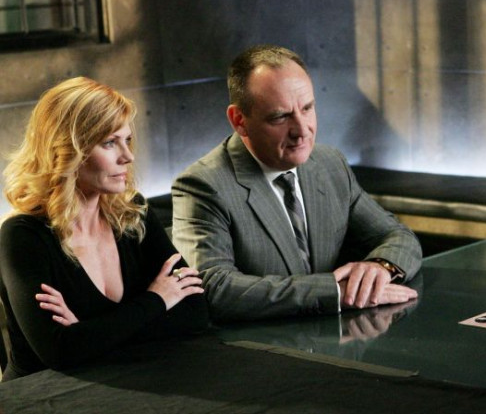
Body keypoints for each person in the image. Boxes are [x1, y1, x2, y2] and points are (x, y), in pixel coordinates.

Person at [172, 45, 421, 321]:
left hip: (341, 338)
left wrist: (380, 267)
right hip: (259, 346)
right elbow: (213, 288)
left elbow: (398, 236)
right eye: (280, 116)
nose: (302, 130)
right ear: (239, 120)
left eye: (307, 108)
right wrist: (333, 293)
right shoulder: (203, 185)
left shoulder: (330, 164)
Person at [0, 77, 208, 381]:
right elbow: (59, 352)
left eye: (127, 140)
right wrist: (158, 299)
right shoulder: (22, 235)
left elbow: (195, 313)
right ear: (67, 151)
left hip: (126, 382)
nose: (128, 156)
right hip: (42, 396)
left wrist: (89, 333)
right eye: (110, 142)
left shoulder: (134, 212)